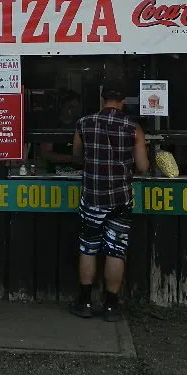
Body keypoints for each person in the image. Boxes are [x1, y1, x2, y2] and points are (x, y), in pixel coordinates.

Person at [69, 88, 149, 322]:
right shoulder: (133, 128)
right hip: (120, 198)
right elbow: (143, 166)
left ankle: (84, 302)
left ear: (102, 99)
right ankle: (111, 305)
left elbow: (76, 157)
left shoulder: (83, 123)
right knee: (116, 249)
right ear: (123, 101)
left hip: (92, 197)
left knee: (88, 247)